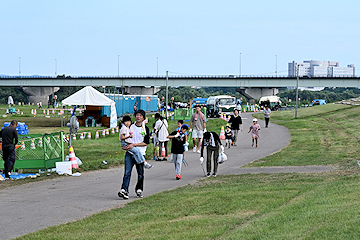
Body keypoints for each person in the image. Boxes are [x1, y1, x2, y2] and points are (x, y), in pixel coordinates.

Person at [118, 110, 150, 199]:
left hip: (140, 153)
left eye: (140, 115)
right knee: (127, 172)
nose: (138, 117)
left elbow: (146, 143)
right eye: (137, 115)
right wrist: (124, 146)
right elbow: (123, 137)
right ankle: (124, 190)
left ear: (143, 118)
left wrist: (134, 145)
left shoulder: (145, 129)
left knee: (140, 173)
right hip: (130, 153)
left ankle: (139, 189)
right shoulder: (130, 127)